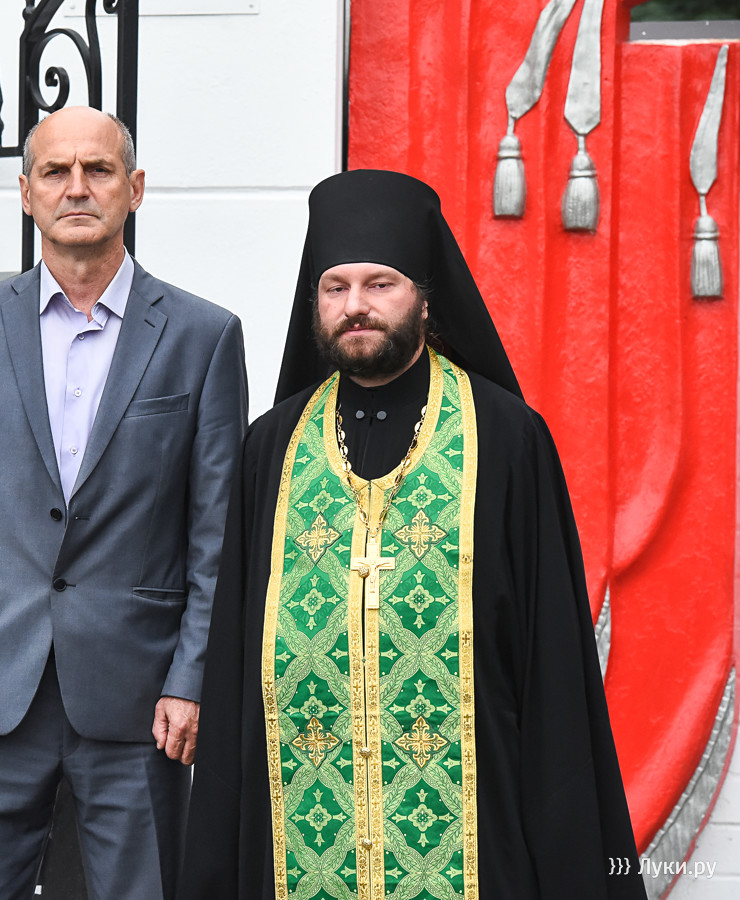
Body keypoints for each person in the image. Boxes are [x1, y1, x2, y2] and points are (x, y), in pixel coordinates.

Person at [181, 169, 645, 899]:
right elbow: (237, 665)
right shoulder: (273, 446)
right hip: (300, 848)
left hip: (476, 843)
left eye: (380, 284)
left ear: (425, 299)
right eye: (335, 288)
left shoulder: (506, 438)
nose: (355, 307)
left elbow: (551, 665)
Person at [0, 105, 248, 899]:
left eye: (98, 169)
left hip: (140, 697)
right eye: (55, 171)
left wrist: (194, 677)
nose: (76, 187)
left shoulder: (203, 336)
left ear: (134, 188)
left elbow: (216, 533)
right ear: (26, 193)